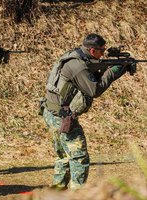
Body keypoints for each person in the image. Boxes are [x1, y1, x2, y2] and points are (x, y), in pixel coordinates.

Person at [42, 33, 131, 190]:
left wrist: (107, 67)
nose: (103, 53)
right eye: (101, 50)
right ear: (92, 51)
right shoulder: (79, 66)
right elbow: (94, 90)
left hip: (51, 111)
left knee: (63, 156)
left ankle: (57, 192)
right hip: (61, 117)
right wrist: (114, 71)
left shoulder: (75, 55)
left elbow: (91, 73)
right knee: (79, 157)